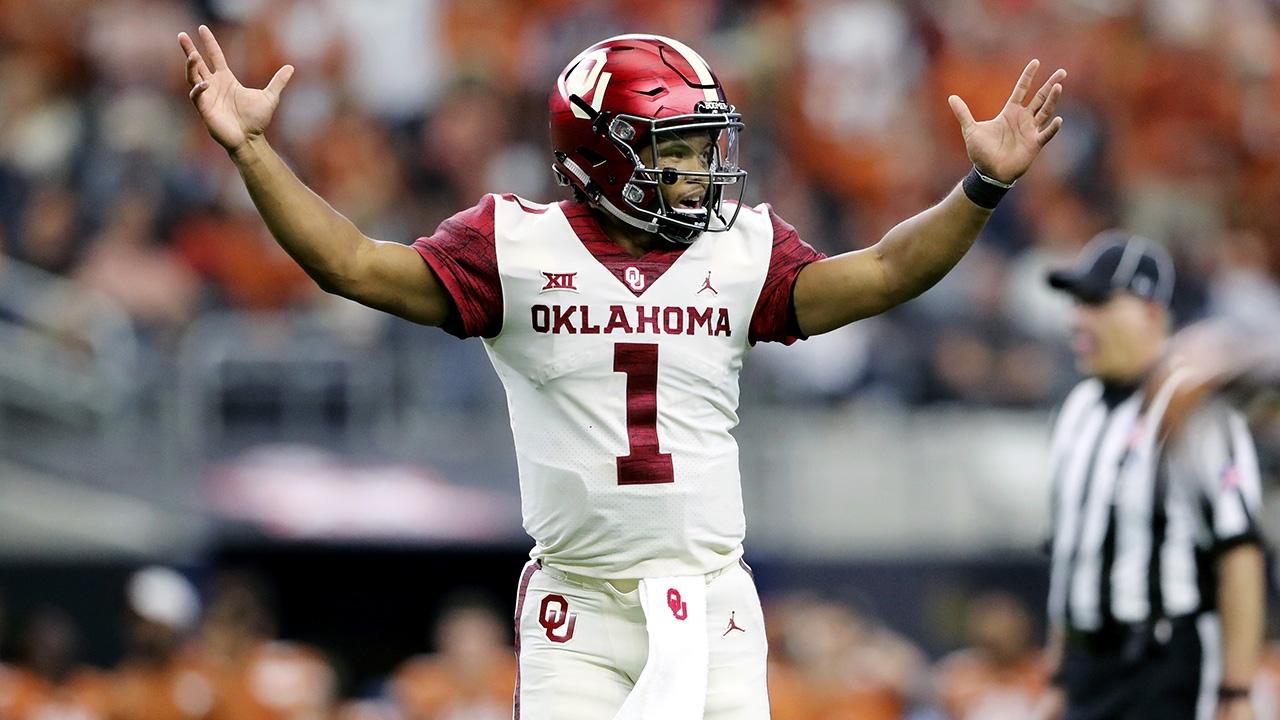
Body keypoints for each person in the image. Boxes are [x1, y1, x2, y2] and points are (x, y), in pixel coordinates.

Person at [177, 24, 1066, 719]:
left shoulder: (740, 248)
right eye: (675, 148)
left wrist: (980, 189)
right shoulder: (514, 245)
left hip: (711, 599)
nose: (700, 169)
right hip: (580, 609)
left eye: (702, 144)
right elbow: (351, 264)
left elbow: (884, 271)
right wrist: (253, 151)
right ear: (604, 151)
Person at [1041, 232, 1266, 720]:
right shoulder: (1077, 409)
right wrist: (1058, 676)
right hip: (1085, 671)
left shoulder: (1193, 410)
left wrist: (1237, 691)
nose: (1078, 318)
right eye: (1078, 303)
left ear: (1150, 312)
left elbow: (1239, 553)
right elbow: (1069, 555)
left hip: (1161, 670)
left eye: (1097, 303)